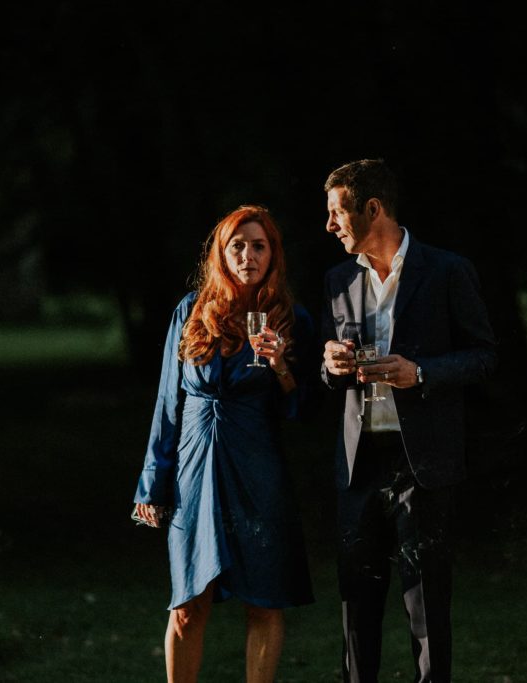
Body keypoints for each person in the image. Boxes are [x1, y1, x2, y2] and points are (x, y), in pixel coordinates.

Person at [320, 159, 497, 682]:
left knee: (426, 608)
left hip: (423, 464)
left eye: (337, 212)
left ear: (372, 208)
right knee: (356, 607)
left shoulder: (447, 270)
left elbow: (484, 356)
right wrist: (330, 365)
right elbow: (330, 371)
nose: (330, 225)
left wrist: (418, 372)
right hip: (359, 464)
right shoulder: (336, 279)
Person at [133, 205, 314, 683]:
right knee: (188, 604)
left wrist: (280, 365)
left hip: (257, 469)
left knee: (264, 600)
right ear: (221, 252)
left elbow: (306, 409)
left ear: (273, 254)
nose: (248, 255)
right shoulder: (190, 310)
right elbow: (167, 403)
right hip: (193, 469)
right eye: (238, 245)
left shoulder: (291, 319)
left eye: (259, 246)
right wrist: (152, 480)